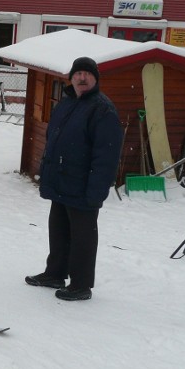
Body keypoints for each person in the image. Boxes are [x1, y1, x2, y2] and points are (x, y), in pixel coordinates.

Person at [25, 56, 122, 301]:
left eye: (87, 74)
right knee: (58, 230)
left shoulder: (103, 109)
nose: (82, 78)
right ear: (71, 78)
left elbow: (107, 155)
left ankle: (81, 284)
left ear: (95, 79)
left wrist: (96, 190)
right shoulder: (66, 104)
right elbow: (53, 139)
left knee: (83, 237)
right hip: (60, 181)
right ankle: (55, 273)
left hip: (83, 187)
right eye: (77, 74)